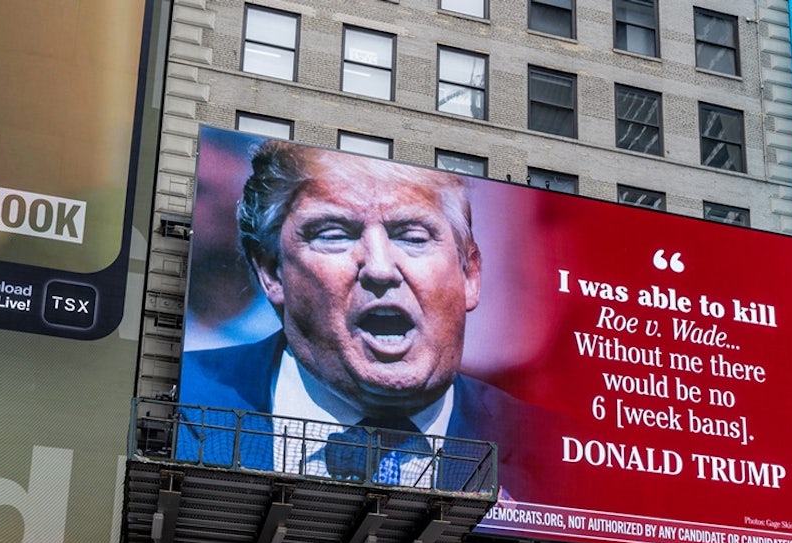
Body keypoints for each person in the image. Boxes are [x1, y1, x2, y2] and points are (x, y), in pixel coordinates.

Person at [177, 139, 543, 491]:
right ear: (272, 273)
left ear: (469, 275)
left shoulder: (552, 451)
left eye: (413, 236)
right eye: (334, 234)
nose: (380, 269)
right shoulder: (179, 402)